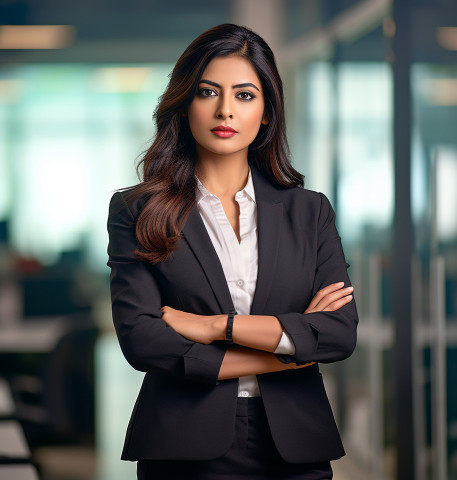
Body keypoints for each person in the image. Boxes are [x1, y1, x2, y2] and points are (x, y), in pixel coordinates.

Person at [107, 23, 359, 480]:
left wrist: (212, 327)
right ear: (184, 105)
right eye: (208, 92)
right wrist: (290, 350)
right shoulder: (138, 209)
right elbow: (143, 340)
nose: (225, 110)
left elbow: (338, 334)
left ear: (266, 112)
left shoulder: (309, 211)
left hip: (297, 446)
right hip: (184, 445)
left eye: (244, 95)